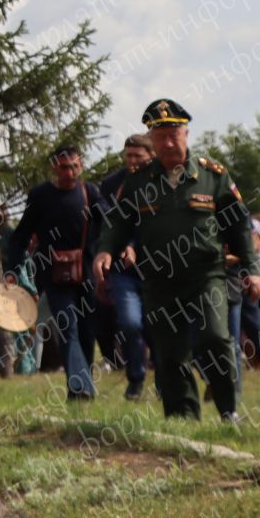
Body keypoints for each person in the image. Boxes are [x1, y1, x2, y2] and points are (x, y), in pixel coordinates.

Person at [93, 99, 260, 423]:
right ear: (152, 141)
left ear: (186, 133)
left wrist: (252, 270)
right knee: (170, 351)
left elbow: (239, 225)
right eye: (160, 136)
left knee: (215, 337)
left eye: (174, 134)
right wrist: (105, 250)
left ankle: (229, 410)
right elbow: (118, 223)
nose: (168, 143)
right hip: (159, 280)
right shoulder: (139, 182)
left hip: (205, 274)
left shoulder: (213, 176)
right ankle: (184, 417)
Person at [4, 146, 101, 399]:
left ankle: (79, 386)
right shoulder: (40, 196)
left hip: (87, 273)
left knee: (87, 332)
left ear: (80, 166)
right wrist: (13, 270)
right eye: (63, 167)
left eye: (74, 167)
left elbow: (109, 226)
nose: (69, 172)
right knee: (67, 327)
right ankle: (82, 388)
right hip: (54, 275)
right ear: (54, 168)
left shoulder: (90, 193)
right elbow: (21, 235)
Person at [95, 134, 152, 399]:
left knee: (159, 328)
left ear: (150, 156)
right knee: (129, 323)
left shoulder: (162, 182)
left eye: (137, 156)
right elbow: (113, 222)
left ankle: (165, 380)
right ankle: (136, 377)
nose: (131, 161)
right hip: (122, 269)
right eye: (128, 155)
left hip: (156, 268)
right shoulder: (111, 184)